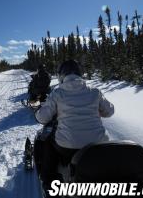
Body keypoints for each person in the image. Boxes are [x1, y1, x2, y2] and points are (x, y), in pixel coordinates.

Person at [35, 60, 114, 194]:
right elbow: (110, 111)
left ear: (62, 76)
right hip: (98, 145)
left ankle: (49, 181)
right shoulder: (95, 92)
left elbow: (42, 118)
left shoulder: (57, 93)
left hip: (68, 148)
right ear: (80, 74)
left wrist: (39, 112)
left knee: (48, 142)